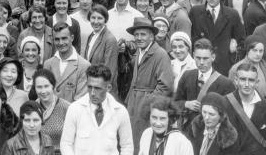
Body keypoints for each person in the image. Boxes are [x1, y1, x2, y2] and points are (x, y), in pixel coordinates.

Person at [125, 17, 174, 154]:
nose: (139, 38)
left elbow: (166, 86)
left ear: (152, 36)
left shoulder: (160, 54)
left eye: (143, 34)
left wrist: (147, 103)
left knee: (147, 143)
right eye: (136, 35)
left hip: (148, 108)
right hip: (134, 105)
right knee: (133, 142)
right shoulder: (139, 52)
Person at [60, 65, 133, 155]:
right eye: (90, 87)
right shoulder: (75, 108)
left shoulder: (120, 111)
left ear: (108, 88)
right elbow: (66, 143)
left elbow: (127, 146)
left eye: (98, 88)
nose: (93, 93)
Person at [174, 38, 236, 132]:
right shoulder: (187, 75)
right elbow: (174, 103)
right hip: (188, 130)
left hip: (213, 132)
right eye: (198, 58)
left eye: (205, 58)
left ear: (213, 57)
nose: (201, 62)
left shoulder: (226, 83)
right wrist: (186, 104)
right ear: (193, 56)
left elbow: (230, 114)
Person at [190, 0, 246, 75]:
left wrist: (233, 57)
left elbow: (242, 42)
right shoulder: (195, 12)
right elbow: (191, 39)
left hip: (224, 67)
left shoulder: (232, 14)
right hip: (201, 65)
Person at [224, 63, 266, 155]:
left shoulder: (264, 105)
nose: (246, 84)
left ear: (257, 82)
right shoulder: (225, 102)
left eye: (251, 80)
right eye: (243, 79)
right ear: (236, 80)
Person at [43, 21, 90, 103]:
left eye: (64, 38)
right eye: (57, 39)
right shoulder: (48, 64)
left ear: (72, 38)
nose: (61, 43)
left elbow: (80, 100)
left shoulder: (84, 66)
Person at [29, 68, 69, 153]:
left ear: (53, 86)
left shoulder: (66, 107)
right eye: (39, 87)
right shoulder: (31, 109)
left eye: (46, 86)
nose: (43, 91)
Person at [81, 4, 118, 93]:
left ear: (105, 20)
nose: (96, 21)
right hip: (92, 86)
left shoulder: (110, 39)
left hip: (102, 89)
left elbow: (110, 71)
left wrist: (102, 91)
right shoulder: (91, 35)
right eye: (93, 18)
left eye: (100, 18)